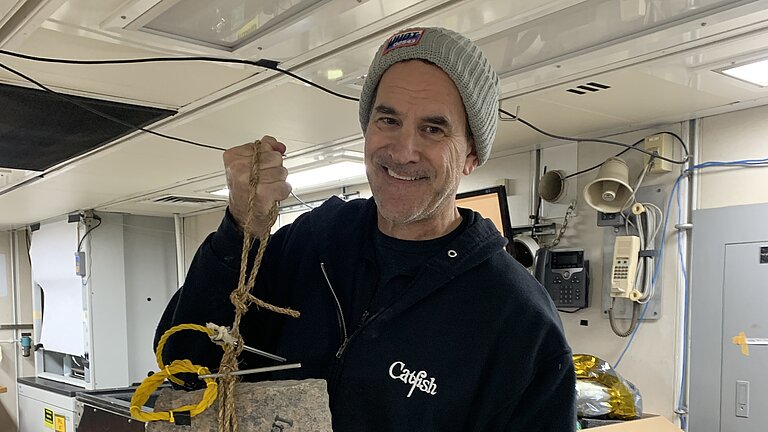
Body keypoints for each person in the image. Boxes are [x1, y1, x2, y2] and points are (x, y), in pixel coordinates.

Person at [156, 27, 576, 431]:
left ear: (470, 155)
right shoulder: (312, 242)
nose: (403, 150)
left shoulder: (518, 320)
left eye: (433, 128)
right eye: (388, 120)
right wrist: (240, 230)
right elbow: (184, 360)